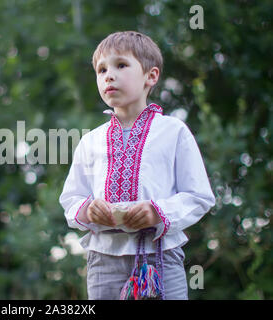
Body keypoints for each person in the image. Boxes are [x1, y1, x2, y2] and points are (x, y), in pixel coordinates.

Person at [58, 31, 215, 300]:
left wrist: (157, 212)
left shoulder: (173, 131)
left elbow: (199, 196)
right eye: (101, 69)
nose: (109, 75)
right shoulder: (90, 141)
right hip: (103, 261)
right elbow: (71, 198)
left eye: (121, 65)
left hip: (160, 257)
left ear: (150, 76)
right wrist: (88, 209)